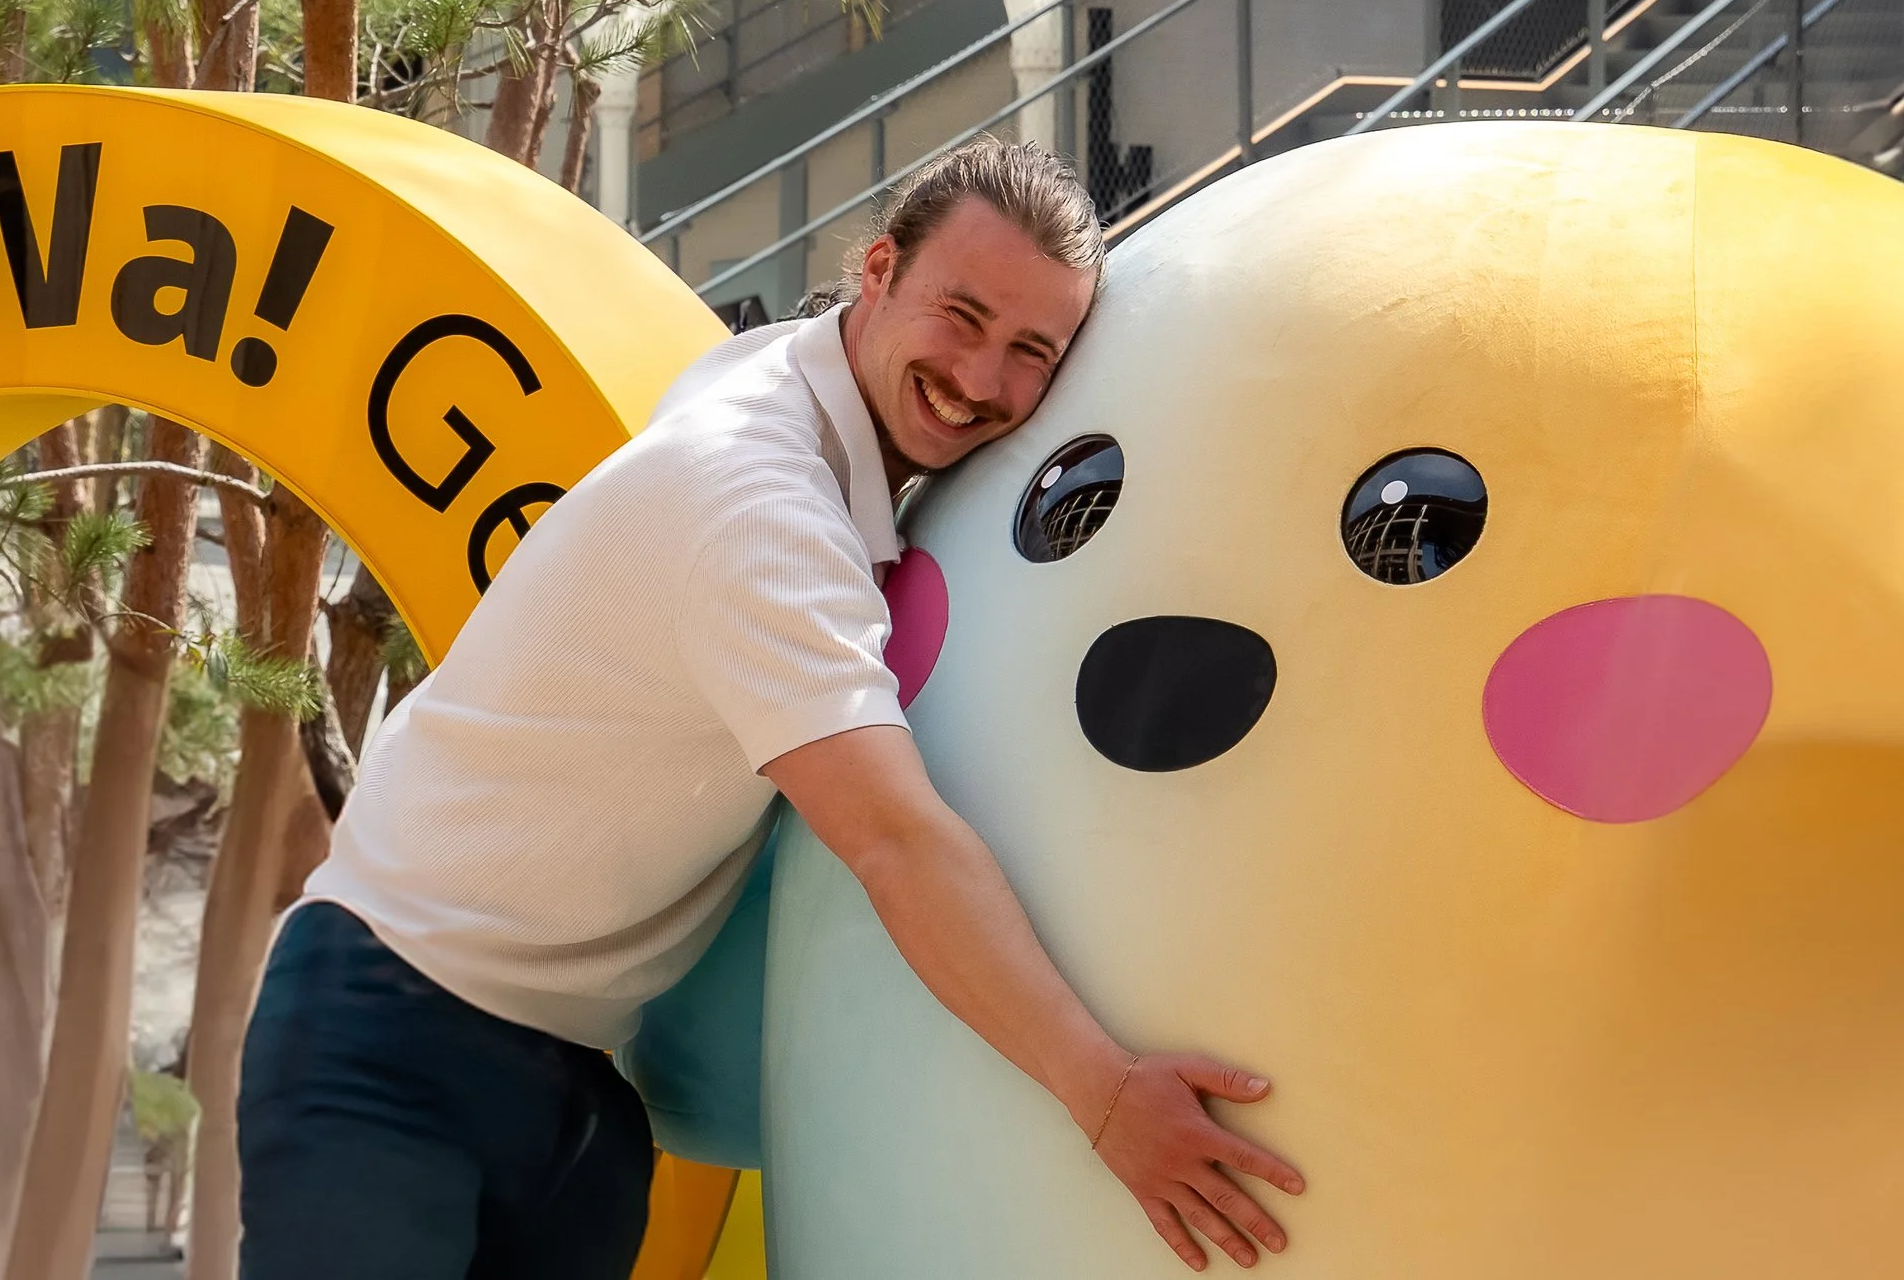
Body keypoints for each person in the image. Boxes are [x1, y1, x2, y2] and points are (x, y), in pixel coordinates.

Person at [237, 139, 1304, 1278]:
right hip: (393, 1021)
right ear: (878, 269)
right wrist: (1104, 1093)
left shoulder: (775, 380)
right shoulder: (759, 502)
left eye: (1030, 351)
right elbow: (893, 839)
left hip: (574, 1068)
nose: (981, 377)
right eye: (961, 315)